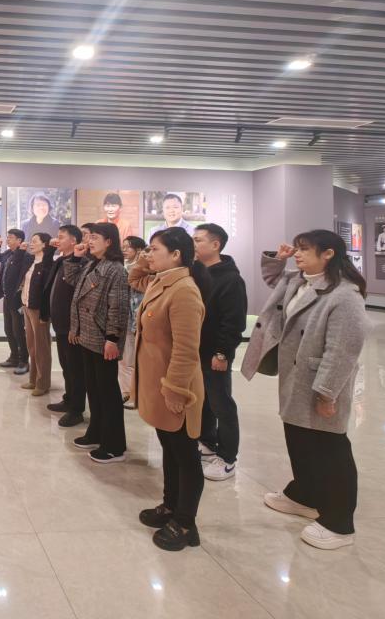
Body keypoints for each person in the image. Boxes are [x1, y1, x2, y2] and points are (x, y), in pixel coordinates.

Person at [242, 230, 370, 550]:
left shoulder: (344, 295)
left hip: (319, 383)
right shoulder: (297, 281)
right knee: (298, 439)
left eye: (305, 249)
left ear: (328, 254)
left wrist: (327, 393)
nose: (297, 254)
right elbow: (273, 279)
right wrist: (278, 258)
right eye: (297, 249)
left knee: (330, 448)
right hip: (295, 378)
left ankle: (340, 522)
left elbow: (343, 350)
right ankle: (304, 495)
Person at [130, 227, 209, 552]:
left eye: (154, 249)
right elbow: (134, 277)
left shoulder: (184, 291)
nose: (148, 255)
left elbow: (186, 350)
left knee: (186, 455)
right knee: (170, 449)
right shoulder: (161, 282)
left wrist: (175, 390)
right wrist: (145, 259)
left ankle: (186, 523)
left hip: (177, 389)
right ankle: (170, 505)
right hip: (159, 386)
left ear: (176, 255)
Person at [64, 222, 131, 464]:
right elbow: (72, 281)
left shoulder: (116, 270)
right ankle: (96, 433)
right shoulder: (93, 263)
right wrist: (75, 257)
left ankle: (114, 445)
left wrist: (112, 339)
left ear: (109, 242)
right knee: (93, 389)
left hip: (103, 338)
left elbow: (118, 308)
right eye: (89, 237)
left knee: (108, 393)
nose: (89, 241)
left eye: (95, 237)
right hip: (88, 336)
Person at [193, 224, 247, 482]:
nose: (193, 244)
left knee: (221, 403)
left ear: (215, 245)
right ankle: (207, 442)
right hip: (196, 350)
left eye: (198, 240)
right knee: (203, 400)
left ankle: (227, 457)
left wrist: (223, 353)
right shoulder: (197, 273)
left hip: (216, 352)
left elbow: (233, 321)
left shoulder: (230, 279)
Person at [41, 225, 85, 426]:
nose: (57, 240)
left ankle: (76, 410)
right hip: (59, 324)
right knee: (66, 366)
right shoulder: (60, 261)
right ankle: (69, 399)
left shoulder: (80, 263)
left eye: (61, 237)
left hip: (72, 327)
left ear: (74, 241)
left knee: (75, 369)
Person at [19, 232, 56, 396]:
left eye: (35, 241)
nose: (31, 244)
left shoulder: (47, 265)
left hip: (39, 310)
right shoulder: (31, 262)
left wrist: (45, 314)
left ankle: (43, 383)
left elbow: (47, 293)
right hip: (26, 306)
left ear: (44, 245)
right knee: (32, 346)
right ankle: (33, 379)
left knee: (42, 347)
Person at [0, 229, 33, 373]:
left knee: (18, 330)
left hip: (17, 298)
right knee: (8, 328)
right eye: (8, 237)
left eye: (11, 237)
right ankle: (14, 357)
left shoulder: (26, 257)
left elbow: (20, 272)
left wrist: (20, 252)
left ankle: (24, 361)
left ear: (19, 240)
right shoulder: (8, 254)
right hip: (7, 297)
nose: (8, 240)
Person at [119, 235, 148, 408]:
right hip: (125, 319)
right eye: (123, 246)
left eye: (127, 247)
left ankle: (135, 394)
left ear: (139, 250)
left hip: (139, 320)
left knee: (135, 360)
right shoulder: (122, 266)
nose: (124, 250)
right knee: (124, 359)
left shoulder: (145, 270)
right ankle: (127, 392)